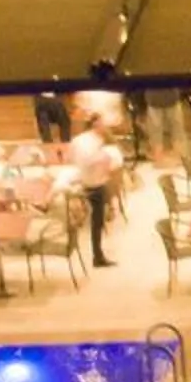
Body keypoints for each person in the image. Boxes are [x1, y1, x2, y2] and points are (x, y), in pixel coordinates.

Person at [66, 111, 123, 266]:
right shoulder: (94, 141)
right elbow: (92, 161)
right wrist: (105, 161)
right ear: (96, 124)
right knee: (97, 222)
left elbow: (69, 157)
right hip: (94, 184)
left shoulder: (78, 139)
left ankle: (98, 253)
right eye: (102, 124)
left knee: (97, 220)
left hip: (83, 181)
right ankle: (97, 255)